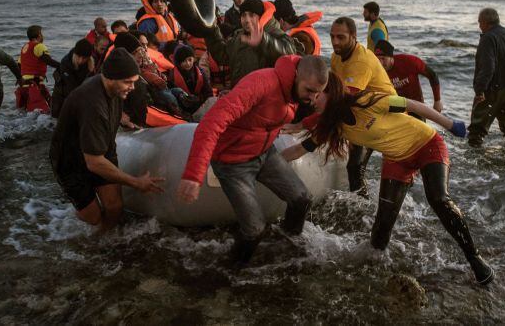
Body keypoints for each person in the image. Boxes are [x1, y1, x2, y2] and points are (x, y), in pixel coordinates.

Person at [280, 73, 495, 285]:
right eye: (311, 96)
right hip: (397, 160)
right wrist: (265, 162)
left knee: (438, 199)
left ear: (332, 92)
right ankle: (372, 273)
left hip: (427, 144)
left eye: (318, 95)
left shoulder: (367, 101)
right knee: (381, 227)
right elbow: (300, 149)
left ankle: (474, 258)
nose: (312, 101)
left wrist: (449, 124)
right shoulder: (332, 126)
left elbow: (412, 105)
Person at [177, 55, 328, 264]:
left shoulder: (297, 92)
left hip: (264, 152)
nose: (312, 98)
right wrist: (193, 175)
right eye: (309, 91)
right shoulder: (261, 83)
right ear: (295, 76)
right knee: (255, 229)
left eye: (317, 93)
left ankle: (286, 245)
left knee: (302, 198)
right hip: (232, 161)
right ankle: (232, 271)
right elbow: (210, 124)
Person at [49, 48, 165, 232]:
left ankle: (102, 240)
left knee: (114, 207)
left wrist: (122, 119)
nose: (132, 87)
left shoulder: (114, 89)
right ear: (110, 78)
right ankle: (84, 238)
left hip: (101, 149)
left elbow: (106, 111)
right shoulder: (92, 104)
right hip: (71, 161)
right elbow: (94, 163)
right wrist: (136, 182)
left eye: (134, 81)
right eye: (128, 82)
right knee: (94, 217)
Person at [300, 17, 396, 197]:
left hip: (383, 116)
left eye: (341, 37)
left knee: (355, 165)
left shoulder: (361, 61)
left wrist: (305, 124)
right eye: (332, 36)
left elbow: (341, 101)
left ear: (354, 36)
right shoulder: (338, 54)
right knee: (355, 165)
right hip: (361, 111)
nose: (335, 42)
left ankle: (362, 209)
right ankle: (360, 201)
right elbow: (333, 91)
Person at [205, 0, 303, 88]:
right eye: (243, 15)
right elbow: (223, 55)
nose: (247, 20)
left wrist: (263, 41)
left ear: (260, 16)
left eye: (252, 15)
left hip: (265, 100)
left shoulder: (274, 33)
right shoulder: (239, 36)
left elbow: (289, 52)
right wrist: (211, 31)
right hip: (240, 97)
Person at [468, 8, 505, 147]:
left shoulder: (488, 38)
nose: (479, 26)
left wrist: (480, 90)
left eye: (480, 22)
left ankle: (473, 160)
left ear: (486, 22)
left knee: (477, 127)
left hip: (494, 89)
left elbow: (488, 67)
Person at [374, 40, 443, 117]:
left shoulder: (409, 62)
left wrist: (437, 101)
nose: (380, 63)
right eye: (378, 59)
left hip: (416, 106)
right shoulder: (375, 70)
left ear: (391, 56)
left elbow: (432, 75)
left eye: (383, 58)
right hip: (395, 108)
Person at [16, 25, 60, 113]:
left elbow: (19, 65)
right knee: (43, 113)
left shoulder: (24, 48)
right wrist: (63, 66)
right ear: (39, 35)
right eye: (41, 33)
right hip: (34, 86)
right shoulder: (39, 46)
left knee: (25, 114)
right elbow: (48, 60)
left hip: (23, 88)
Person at [51, 39, 95, 118]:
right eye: (79, 57)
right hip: (61, 96)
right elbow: (71, 89)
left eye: (84, 58)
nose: (81, 60)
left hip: (79, 94)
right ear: (75, 54)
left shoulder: (91, 63)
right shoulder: (66, 63)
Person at [167, 45, 213, 115]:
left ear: (194, 59)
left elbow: (209, 93)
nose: (188, 63)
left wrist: (198, 99)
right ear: (178, 62)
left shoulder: (201, 73)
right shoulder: (171, 76)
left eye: (189, 60)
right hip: (182, 110)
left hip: (200, 107)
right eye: (184, 61)